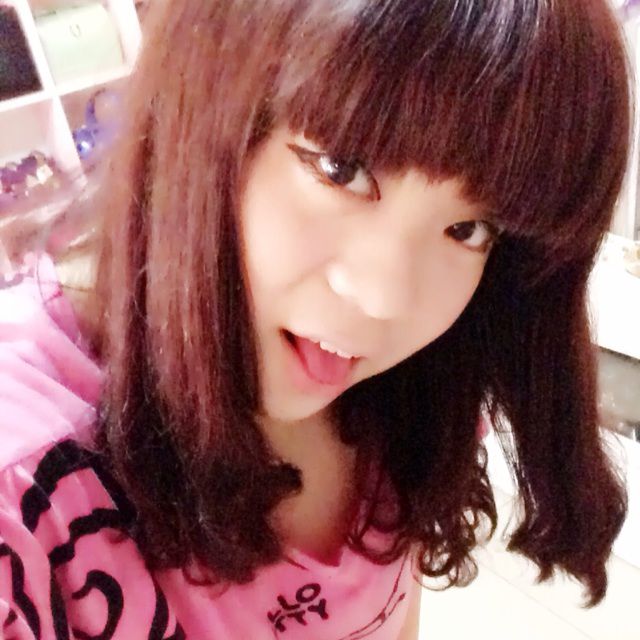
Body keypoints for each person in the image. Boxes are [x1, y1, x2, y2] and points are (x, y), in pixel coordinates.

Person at [0, 1, 631, 638]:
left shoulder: (425, 389)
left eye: (469, 229)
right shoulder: (27, 483)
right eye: (341, 170)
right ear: (208, 99)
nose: (386, 300)